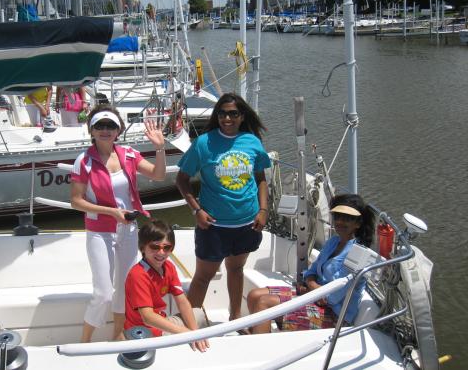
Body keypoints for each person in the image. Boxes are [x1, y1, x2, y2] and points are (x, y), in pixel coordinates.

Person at [70, 105, 167, 342]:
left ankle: (117, 338)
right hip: (99, 232)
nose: (105, 130)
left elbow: (158, 175)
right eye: (99, 126)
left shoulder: (130, 155)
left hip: (128, 230)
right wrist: (110, 212)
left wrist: (160, 148)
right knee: (103, 293)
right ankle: (85, 341)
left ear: (118, 130)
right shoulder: (84, 161)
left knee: (125, 289)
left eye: (110, 125)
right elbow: (76, 201)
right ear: (91, 130)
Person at [175, 92, 271, 329]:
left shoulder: (252, 142)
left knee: (236, 269)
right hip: (214, 225)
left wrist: (263, 210)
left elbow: (260, 179)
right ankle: (190, 326)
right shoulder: (203, 144)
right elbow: (182, 180)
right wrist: (196, 210)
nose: (227, 118)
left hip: (247, 222)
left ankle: (235, 318)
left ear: (242, 116)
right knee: (203, 277)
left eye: (233, 113)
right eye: (222, 113)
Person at [247, 193, 376, 333]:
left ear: (358, 223)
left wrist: (311, 285)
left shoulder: (359, 255)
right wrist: (311, 284)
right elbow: (312, 271)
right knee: (254, 295)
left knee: (264, 303)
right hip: (313, 296)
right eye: (337, 216)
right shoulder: (334, 241)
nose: (340, 222)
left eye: (347, 218)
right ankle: (255, 336)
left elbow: (331, 298)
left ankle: (259, 348)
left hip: (334, 315)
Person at [124, 218, 209, 352]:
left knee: (197, 313)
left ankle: (201, 345)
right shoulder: (138, 275)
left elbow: (182, 302)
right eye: (154, 247)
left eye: (167, 247)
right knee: (193, 329)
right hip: (144, 332)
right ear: (143, 248)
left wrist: (194, 333)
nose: (161, 253)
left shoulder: (169, 267)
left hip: (161, 325)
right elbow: (148, 317)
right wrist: (187, 334)